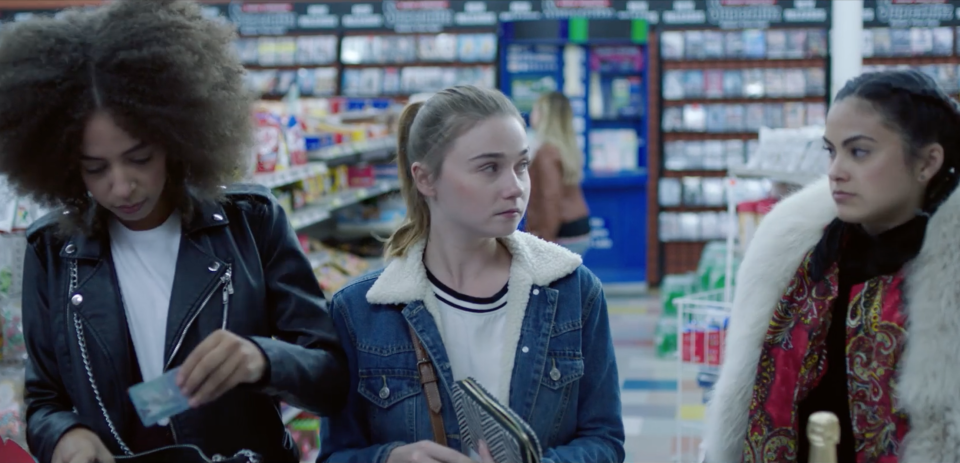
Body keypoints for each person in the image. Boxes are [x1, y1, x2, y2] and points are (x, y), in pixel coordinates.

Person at [0, 2, 348, 462]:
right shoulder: (53, 249)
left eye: (140, 158)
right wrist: (65, 435)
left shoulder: (250, 221)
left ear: (175, 137)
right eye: (95, 168)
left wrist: (263, 359)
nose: (121, 186)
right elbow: (45, 402)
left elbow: (331, 379)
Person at [318, 85, 625, 463]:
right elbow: (335, 455)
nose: (515, 187)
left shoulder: (575, 293)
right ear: (426, 179)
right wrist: (392, 459)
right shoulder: (359, 312)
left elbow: (605, 440)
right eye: (489, 168)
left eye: (522, 165)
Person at [703, 69, 960, 463]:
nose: (836, 170)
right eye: (831, 150)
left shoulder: (946, 274)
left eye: (859, 151)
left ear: (927, 162)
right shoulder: (801, 250)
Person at [525, 91, 592, 255]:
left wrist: (545, 243)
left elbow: (550, 198)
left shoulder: (546, 152)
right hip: (578, 225)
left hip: (560, 230)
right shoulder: (566, 147)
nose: (531, 115)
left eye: (535, 110)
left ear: (544, 116)